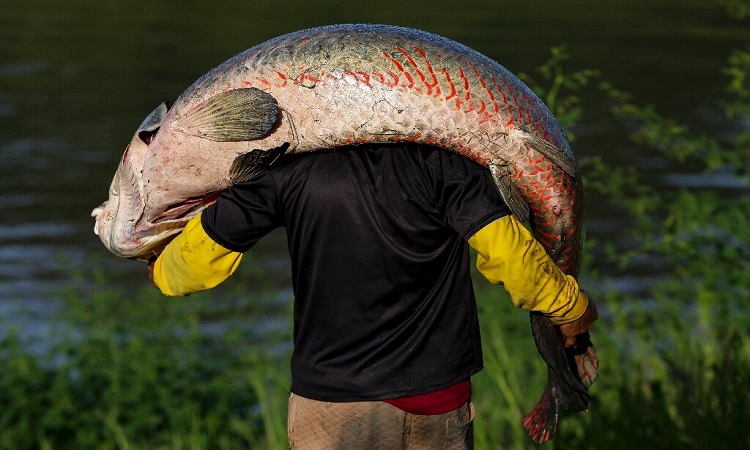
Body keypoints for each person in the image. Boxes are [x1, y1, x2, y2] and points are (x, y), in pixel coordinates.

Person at [148, 143, 597, 449]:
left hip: (330, 406)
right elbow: (512, 258)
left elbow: (187, 270)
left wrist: (160, 270)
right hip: (435, 399)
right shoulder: (444, 163)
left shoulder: (286, 169)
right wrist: (572, 308)